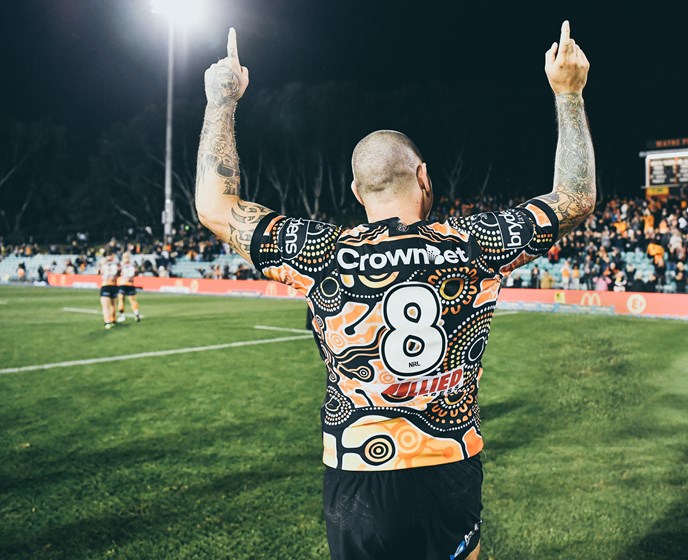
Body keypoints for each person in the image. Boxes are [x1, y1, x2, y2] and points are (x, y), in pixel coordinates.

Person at [195, 21, 595, 560]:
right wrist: (568, 93)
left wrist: (222, 100)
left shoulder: (324, 252)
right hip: (448, 461)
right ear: (424, 176)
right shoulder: (475, 244)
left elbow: (214, 207)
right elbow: (575, 196)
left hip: (358, 471)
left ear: (358, 191)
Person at [117, 252, 141, 323]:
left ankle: (122, 316)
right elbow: (136, 272)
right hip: (130, 284)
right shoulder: (133, 264)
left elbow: (118, 272)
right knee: (133, 300)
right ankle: (136, 314)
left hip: (123, 284)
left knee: (121, 300)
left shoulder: (121, 264)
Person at [98, 251, 120, 329]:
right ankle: (113, 320)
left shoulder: (103, 263)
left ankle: (107, 322)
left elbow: (99, 272)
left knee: (105, 306)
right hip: (114, 285)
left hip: (106, 285)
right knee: (113, 305)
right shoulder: (116, 264)